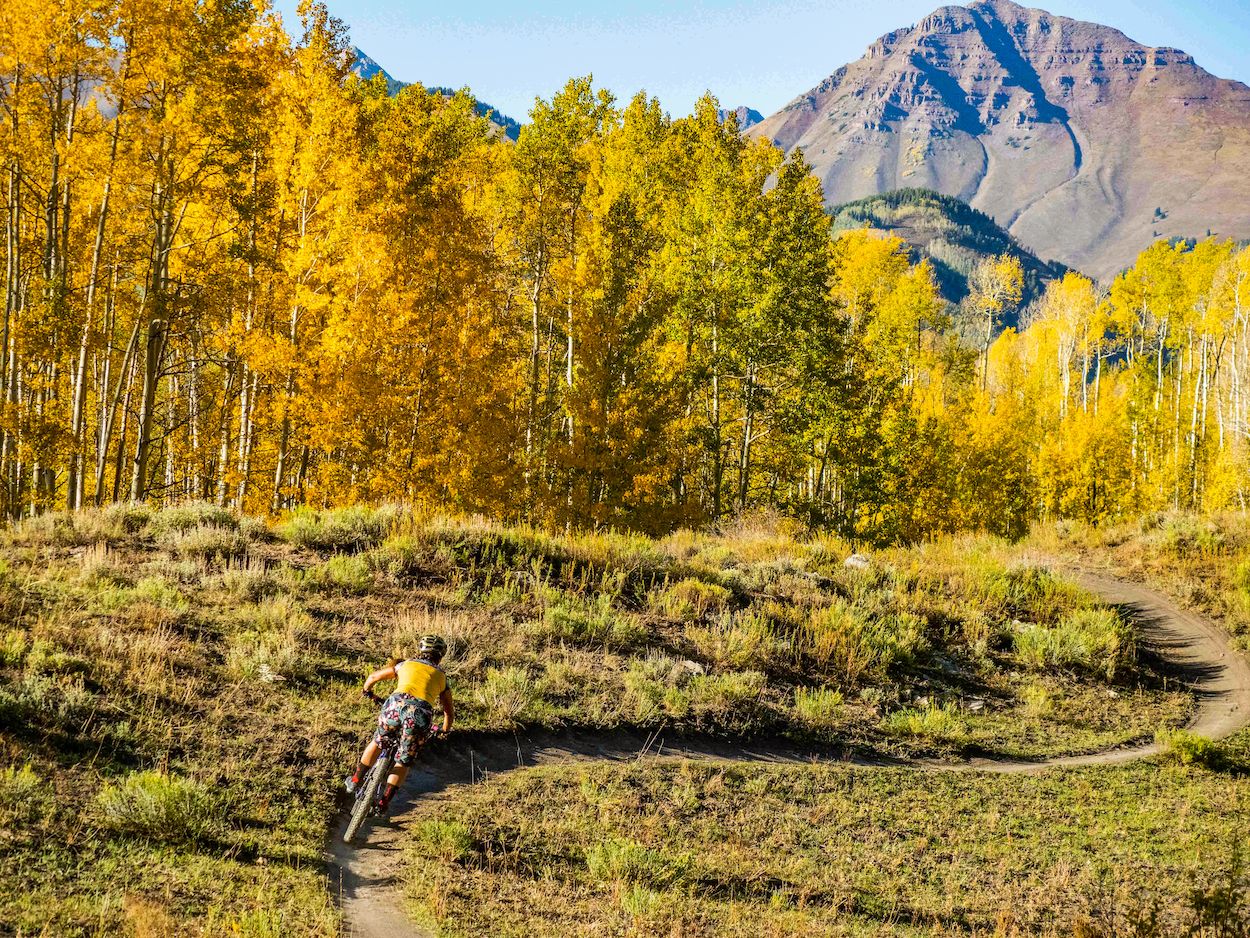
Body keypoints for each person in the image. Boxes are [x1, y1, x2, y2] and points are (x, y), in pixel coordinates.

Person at [345, 634, 454, 814]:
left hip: (395, 705)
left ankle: (356, 780)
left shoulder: (405, 664)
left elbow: (373, 677)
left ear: (421, 650)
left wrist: (367, 691)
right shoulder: (442, 677)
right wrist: (444, 729)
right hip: (420, 714)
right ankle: (383, 802)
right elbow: (448, 711)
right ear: (440, 655)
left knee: (378, 742)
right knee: (404, 760)